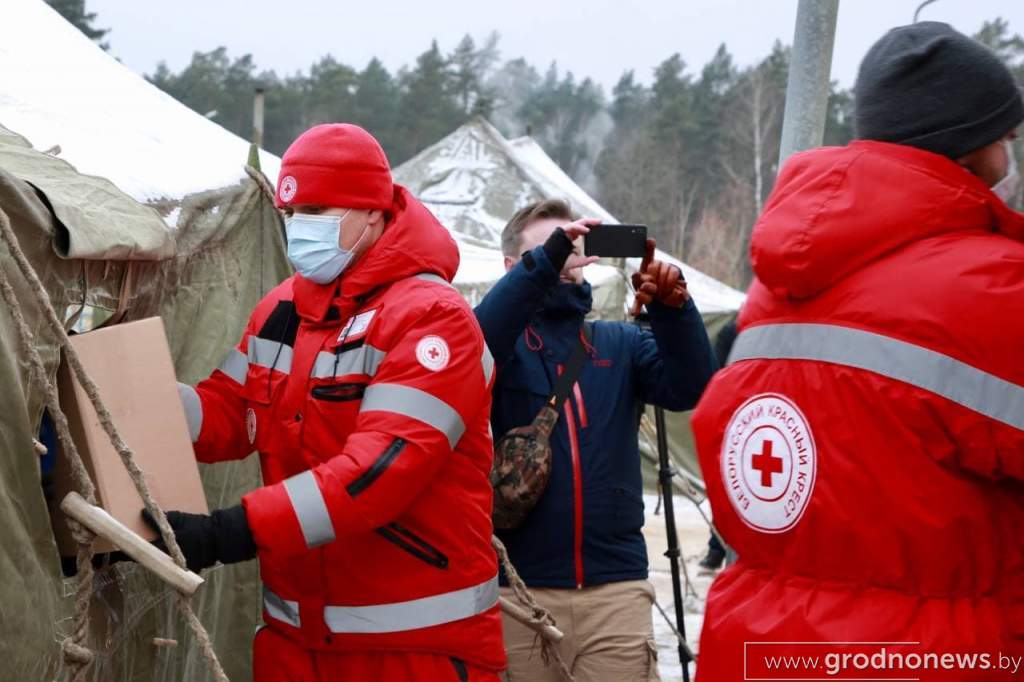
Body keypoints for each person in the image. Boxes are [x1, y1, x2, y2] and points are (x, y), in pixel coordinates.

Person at [691, 23, 1024, 681]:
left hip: (760, 650)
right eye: (1009, 139)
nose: (1009, 161)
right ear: (978, 148)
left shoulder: (776, 285)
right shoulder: (993, 290)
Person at [162, 123, 505, 681]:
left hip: (412, 648)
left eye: (318, 210)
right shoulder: (282, 310)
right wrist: (140, 406)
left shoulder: (431, 318)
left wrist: (229, 532)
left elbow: (378, 472)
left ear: (373, 211)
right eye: (291, 213)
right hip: (296, 638)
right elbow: (229, 414)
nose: (299, 227)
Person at [475, 199, 716, 681]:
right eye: (550, 247)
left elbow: (691, 386)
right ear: (512, 266)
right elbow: (479, 337)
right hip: (516, 593)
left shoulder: (617, 343)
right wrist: (542, 268)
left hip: (616, 589)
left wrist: (675, 313)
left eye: (573, 245)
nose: (568, 257)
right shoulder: (497, 343)